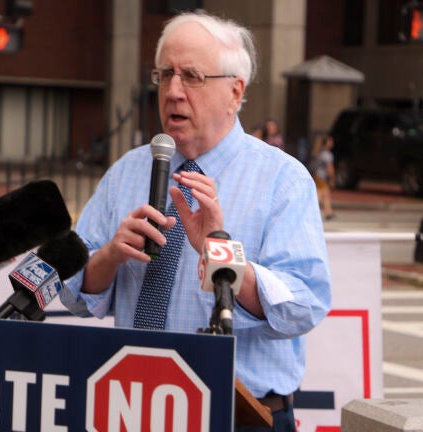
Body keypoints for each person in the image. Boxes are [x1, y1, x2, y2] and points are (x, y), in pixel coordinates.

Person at [60, 12, 331, 431]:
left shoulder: (282, 179)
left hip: (240, 413)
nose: (172, 91)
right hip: (132, 407)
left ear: (235, 92)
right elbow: (74, 290)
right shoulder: (127, 172)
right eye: (165, 74)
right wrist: (110, 258)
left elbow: (305, 304)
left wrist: (221, 252)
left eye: (192, 76)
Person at [311, 134, 336, 220]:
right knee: (320, 195)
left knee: (325, 194)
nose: (332, 143)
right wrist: (332, 179)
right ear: (327, 143)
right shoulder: (327, 154)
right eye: (331, 141)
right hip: (322, 177)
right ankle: (312, 211)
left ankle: (329, 212)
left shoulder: (319, 152)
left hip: (317, 176)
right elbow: (330, 168)